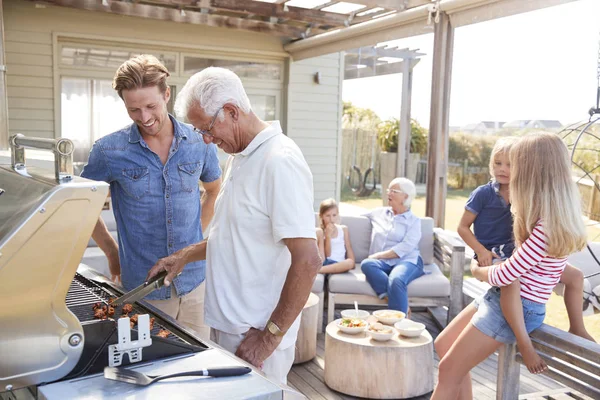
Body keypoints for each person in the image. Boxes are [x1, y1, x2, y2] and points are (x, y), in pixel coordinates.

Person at [145, 67, 321, 384]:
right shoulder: (239, 157)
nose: (207, 141)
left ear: (231, 111)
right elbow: (235, 238)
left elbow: (308, 260)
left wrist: (268, 338)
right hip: (227, 327)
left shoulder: (279, 160)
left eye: (208, 129)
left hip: (253, 336)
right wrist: (182, 257)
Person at [432, 132, 588, 399]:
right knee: (443, 344)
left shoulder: (546, 226)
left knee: (448, 369)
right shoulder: (548, 214)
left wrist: (477, 269)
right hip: (501, 300)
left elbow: (506, 275)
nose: (510, 173)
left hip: (517, 309)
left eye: (516, 165)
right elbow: (567, 275)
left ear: (532, 173)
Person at [81, 55, 222, 339]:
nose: (144, 118)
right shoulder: (109, 151)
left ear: (166, 94)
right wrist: (111, 252)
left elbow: (214, 190)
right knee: (153, 368)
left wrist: (192, 248)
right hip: (144, 289)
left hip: (195, 283)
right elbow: (81, 207)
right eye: (133, 109)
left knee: (199, 366)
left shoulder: (199, 141)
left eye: (150, 106)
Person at [361, 177, 423, 314]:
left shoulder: (414, 222)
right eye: (388, 190)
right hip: (383, 263)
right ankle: (400, 304)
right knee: (367, 264)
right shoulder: (378, 213)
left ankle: (398, 324)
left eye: (393, 191)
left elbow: (405, 247)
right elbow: (352, 217)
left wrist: (378, 255)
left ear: (405, 196)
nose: (388, 193)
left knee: (396, 279)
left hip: (407, 260)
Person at [316, 198, 355, 274]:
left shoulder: (343, 229)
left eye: (334, 215)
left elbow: (348, 247)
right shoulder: (321, 232)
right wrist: (328, 236)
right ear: (322, 216)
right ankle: (320, 270)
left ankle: (320, 270)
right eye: (328, 216)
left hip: (340, 264)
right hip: (327, 262)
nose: (331, 219)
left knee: (350, 262)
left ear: (338, 215)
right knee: (318, 231)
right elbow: (327, 255)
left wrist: (352, 262)